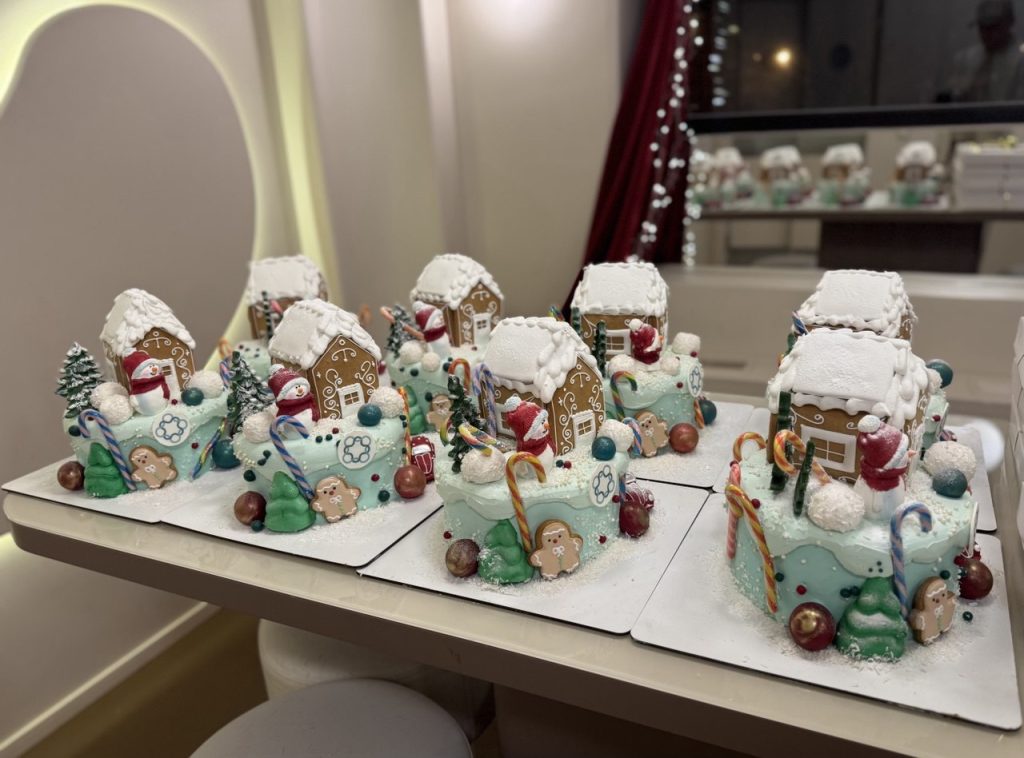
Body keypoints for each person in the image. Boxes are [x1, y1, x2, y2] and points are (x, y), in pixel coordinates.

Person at [947, 0, 1024, 102]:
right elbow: (954, 94)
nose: (987, 33)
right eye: (983, 27)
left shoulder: (1020, 61)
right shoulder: (964, 59)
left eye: (994, 27)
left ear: (1009, 23)